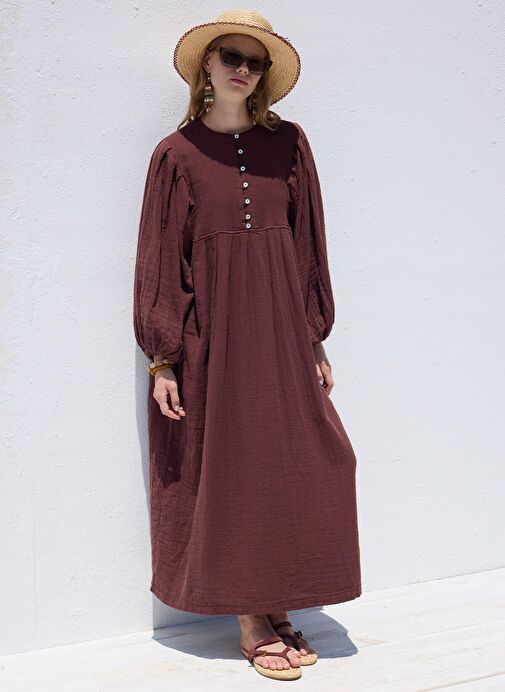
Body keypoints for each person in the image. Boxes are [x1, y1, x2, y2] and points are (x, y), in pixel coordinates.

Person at [133, 9, 362, 681]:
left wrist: (313, 338)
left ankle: (278, 598)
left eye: (254, 61)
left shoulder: (288, 144)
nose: (242, 68)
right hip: (212, 336)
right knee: (232, 469)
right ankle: (250, 618)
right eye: (230, 55)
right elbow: (161, 259)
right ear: (206, 64)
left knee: (300, 461)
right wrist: (162, 358)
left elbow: (308, 243)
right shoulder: (175, 155)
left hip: (281, 328)